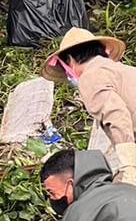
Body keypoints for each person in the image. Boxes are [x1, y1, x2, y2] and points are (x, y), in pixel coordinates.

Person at [42, 27, 136, 185]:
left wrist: (129, 166)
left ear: (70, 60)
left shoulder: (90, 76)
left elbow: (117, 116)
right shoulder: (125, 70)